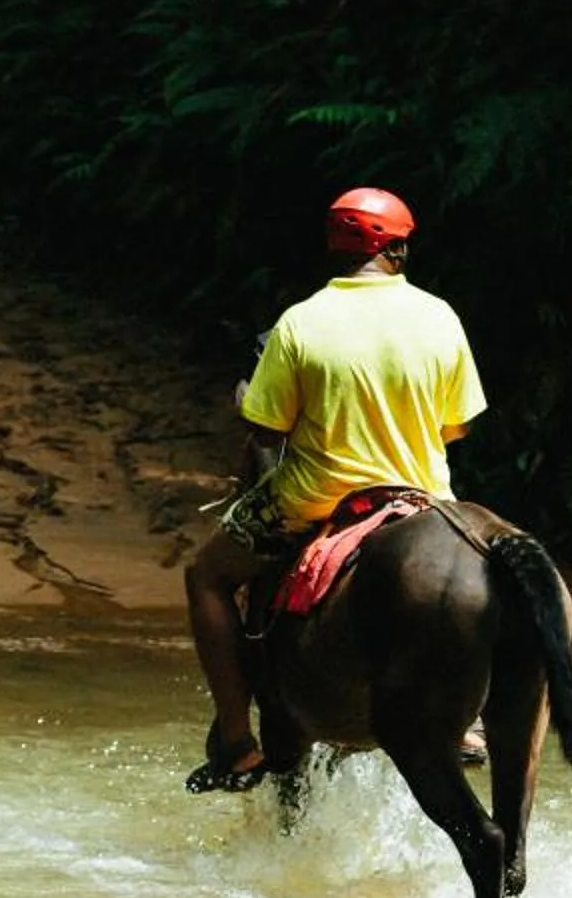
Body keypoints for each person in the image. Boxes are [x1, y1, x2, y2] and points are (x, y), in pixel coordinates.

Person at [182, 186, 488, 792]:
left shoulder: (300, 322)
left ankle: (236, 739)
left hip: (310, 498)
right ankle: (467, 721)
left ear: (336, 245)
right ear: (397, 246)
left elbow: (266, 428)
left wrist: (248, 400)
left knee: (207, 576)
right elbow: (459, 425)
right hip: (423, 499)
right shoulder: (440, 316)